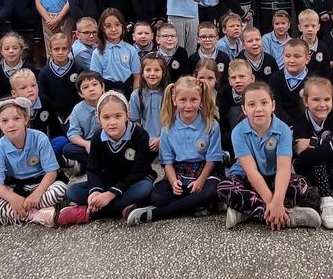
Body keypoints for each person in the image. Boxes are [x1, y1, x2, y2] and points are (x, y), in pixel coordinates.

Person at [217, 82, 321, 230]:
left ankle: (247, 212)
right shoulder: (238, 132)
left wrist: (277, 201)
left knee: (302, 186)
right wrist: (272, 203)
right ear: (244, 109)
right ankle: (285, 217)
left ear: (273, 105)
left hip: (274, 177)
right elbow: (251, 172)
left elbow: (283, 169)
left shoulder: (283, 130)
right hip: (246, 178)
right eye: (251, 104)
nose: (258, 109)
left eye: (264, 103)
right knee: (224, 188)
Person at [128, 76, 223, 224]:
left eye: (194, 100)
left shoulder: (211, 125)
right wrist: (173, 181)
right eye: (183, 100)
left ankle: (156, 214)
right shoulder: (167, 128)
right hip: (179, 173)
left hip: (205, 172)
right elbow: (167, 162)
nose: (188, 105)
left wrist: (200, 181)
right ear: (174, 100)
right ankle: (198, 204)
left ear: (201, 100)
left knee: (212, 190)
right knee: (156, 197)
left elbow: (212, 160)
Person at [56, 91, 156, 226]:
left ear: (127, 115)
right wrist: (95, 191)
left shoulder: (140, 135)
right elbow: (93, 169)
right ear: (98, 119)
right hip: (109, 181)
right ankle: (126, 206)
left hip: (133, 182)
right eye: (106, 117)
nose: (112, 122)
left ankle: (88, 213)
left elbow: (140, 171)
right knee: (72, 191)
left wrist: (110, 195)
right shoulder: (97, 138)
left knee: (145, 188)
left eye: (118, 116)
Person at [0, 97, 69, 227]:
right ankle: (35, 215)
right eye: (4, 121)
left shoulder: (39, 138)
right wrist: (12, 198)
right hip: (16, 187)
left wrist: (37, 194)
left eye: (16, 118)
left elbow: (51, 172)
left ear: (26, 119)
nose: (11, 124)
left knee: (60, 190)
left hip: (41, 184)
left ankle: (3, 216)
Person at [291, 77, 333, 229]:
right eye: (316, 100)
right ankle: (326, 199)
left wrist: (313, 143)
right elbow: (304, 157)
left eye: (327, 99)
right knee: (318, 157)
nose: (322, 105)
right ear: (306, 101)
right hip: (306, 169)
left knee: (332, 156)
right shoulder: (300, 120)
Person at [89, 8, 141, 97]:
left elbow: (137, 76)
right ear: (102, 28)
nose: (113, 29)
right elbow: (96, 79)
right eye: (108, 26)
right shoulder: (97, 53)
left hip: (128, 90)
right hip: (107, 92)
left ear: (122, 26)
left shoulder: (131, 49)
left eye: (117, 25)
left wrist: (135, 96)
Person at [61, 71, 105, 174]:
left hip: (108, 140)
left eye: (95, 84)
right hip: (89, 142)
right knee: (68, 149)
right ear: (81, 94)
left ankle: (91, 163)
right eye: (85, 87)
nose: (91, 89)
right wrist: (86, 144)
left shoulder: (111, 102)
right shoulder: (77, 109)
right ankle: (98, 162)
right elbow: (73, 134)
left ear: (102, 87)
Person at [129, 54, 167, 151]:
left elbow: (173, 121)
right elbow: (134, 121)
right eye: (148, 70)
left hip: (166, 141)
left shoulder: (169, 94)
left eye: (157, 70)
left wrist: (161, 139)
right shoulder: (136, 95)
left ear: (163, 73)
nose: (152, 74)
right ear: (142, 73)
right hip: (143, 142)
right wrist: (144, 138)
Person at [269, 38, 312, 123]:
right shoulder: (275, 78)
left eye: (297, 56)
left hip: (304, 125)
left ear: (307, 59)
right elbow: (275, 106)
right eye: (287, 56)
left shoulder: (313, 81)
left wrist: (298, 126)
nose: (291, 60)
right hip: (280, 124)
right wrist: (288, 125)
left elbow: (312, 108)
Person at [0, 32, 29, 100]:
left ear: (21, 50)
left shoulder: (29, 69)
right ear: (1, 52)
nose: (11, 51)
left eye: (15, 48)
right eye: (7, 49)